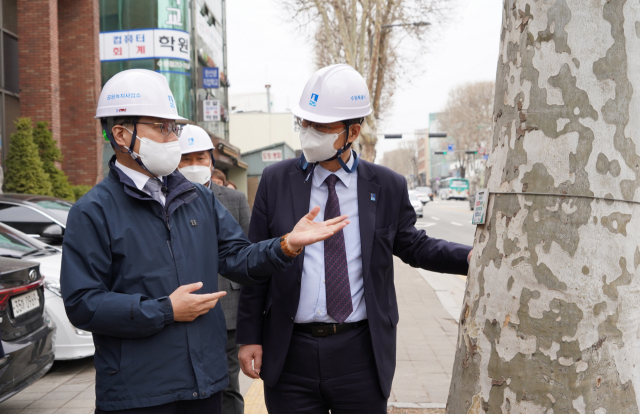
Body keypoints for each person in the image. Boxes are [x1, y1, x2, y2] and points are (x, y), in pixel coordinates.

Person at [60, 69, 350, 414]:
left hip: (206, 386)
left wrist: (286, 245)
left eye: (174, 128)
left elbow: (237, 258)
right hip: (138, 394)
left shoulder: (197, 198)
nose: (173, 138)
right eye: (161, 127)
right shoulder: (93, 211)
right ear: (122, 134)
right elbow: (83, 302)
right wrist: (164, 310)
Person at [236, 64, 473, 414]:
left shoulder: (386, 185)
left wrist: (468, 258)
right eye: (305, 122)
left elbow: (413, 245)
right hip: (289, 353)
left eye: (322, 126)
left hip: (360, 352)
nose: (309, 132)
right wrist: (249, 336)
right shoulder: (276, 181)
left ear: (353, 132)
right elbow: (255, 264)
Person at [178, 124, 249, 414]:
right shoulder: (165, 199)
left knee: (229, 385)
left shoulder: (234, 200)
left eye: (201, 158)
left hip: (228, 308)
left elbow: (247, 255)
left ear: (211, 161)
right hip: (182, 308)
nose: (194, 166)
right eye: (186, 159)